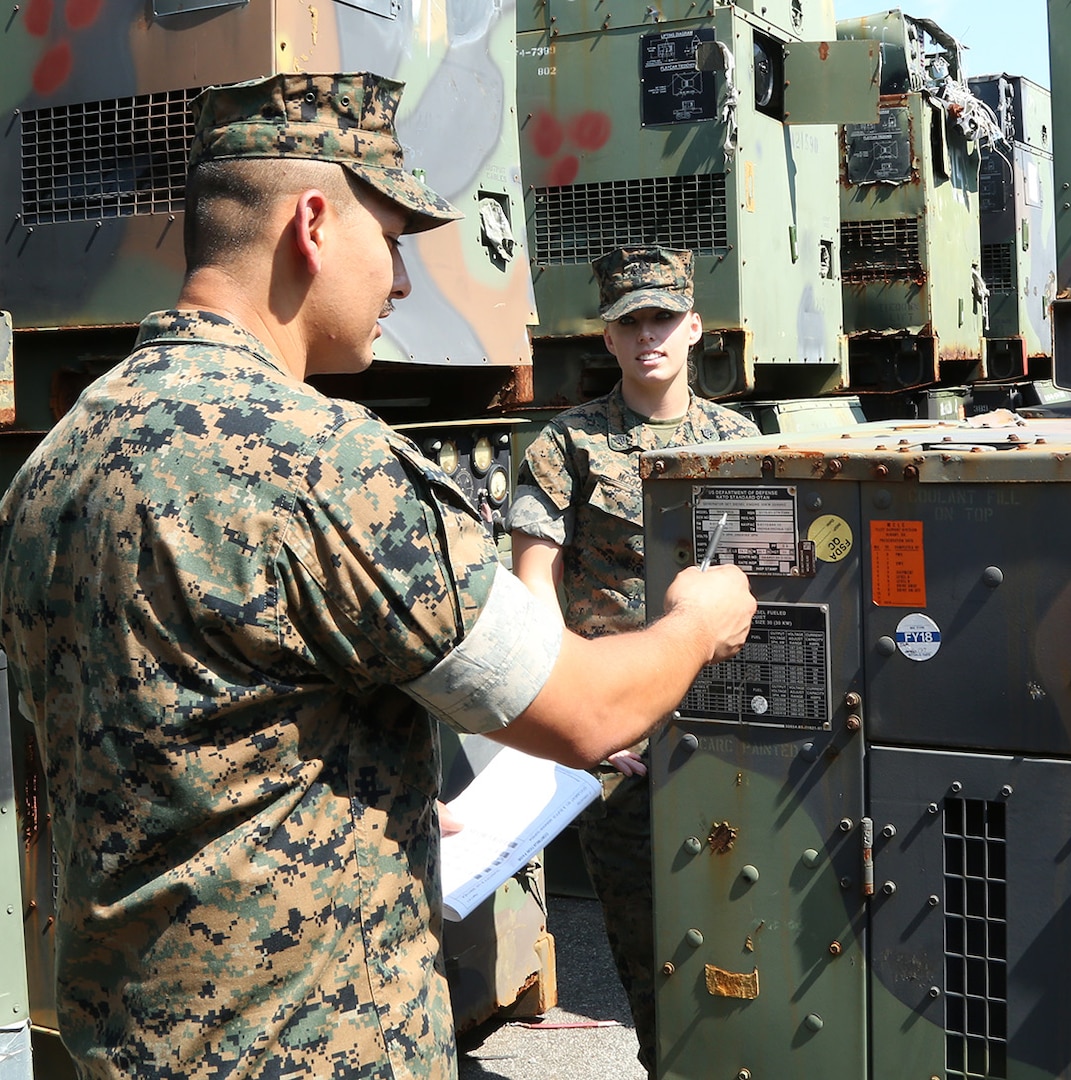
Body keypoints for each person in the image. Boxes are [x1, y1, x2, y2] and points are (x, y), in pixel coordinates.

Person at [0, 73, 755, 1079]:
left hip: (128, 1045)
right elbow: (584, 713)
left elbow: (165, 742)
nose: (400, 282)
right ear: (314, 223)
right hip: (312, 1047)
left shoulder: (57, 461)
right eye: (392, 240)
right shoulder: (323, 462)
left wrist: (370, 791)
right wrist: (699, 620)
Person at [507, 245, 761, 1076]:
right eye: (629, 322)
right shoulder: (566, 446)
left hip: (731, 734)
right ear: (608, 340)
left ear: (694, 328)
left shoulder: (739, 440)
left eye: (662, 318)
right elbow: (532, 586)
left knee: (752, 941)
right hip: (625, 747)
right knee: (650, 955)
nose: (647, 335)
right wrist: (579, 708)